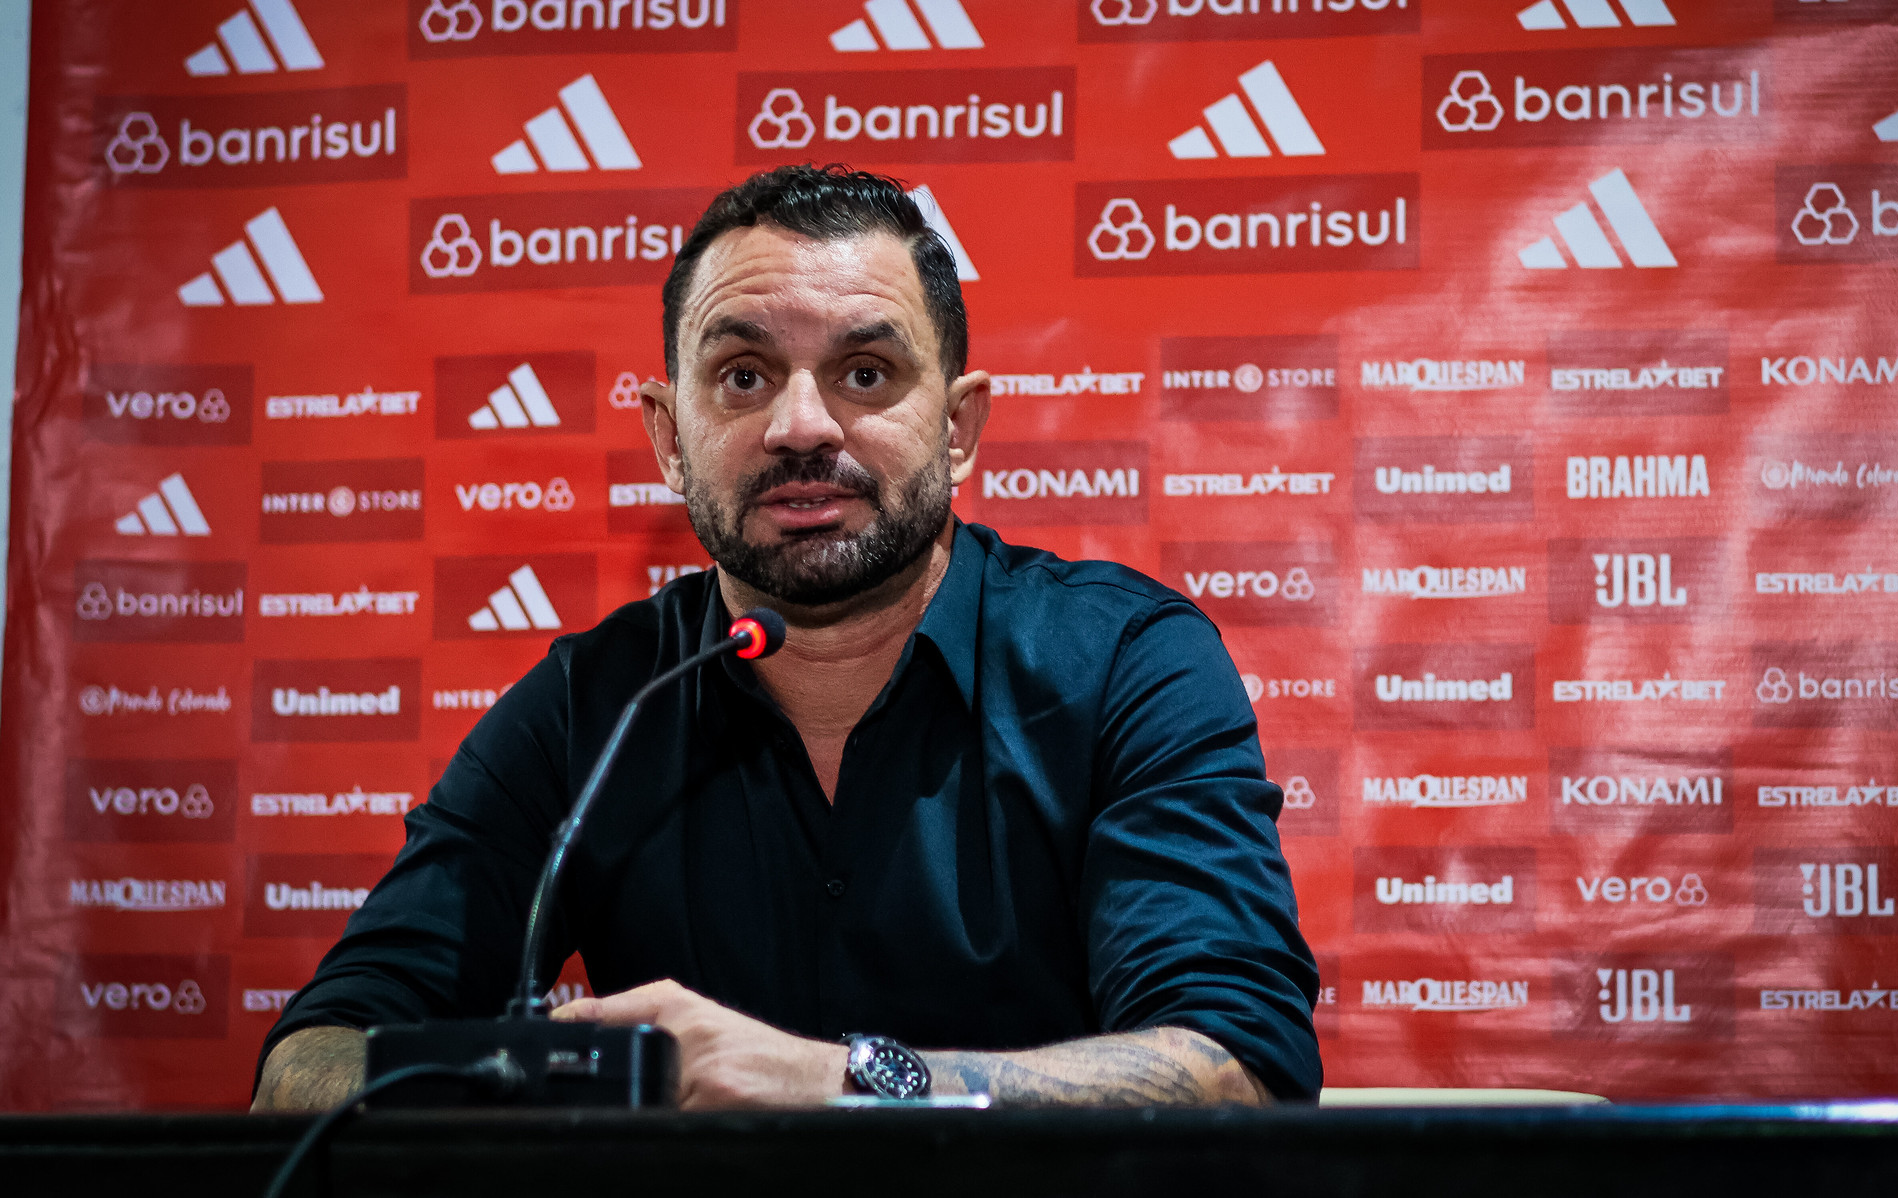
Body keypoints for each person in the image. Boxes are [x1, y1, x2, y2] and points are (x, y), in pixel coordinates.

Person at [253, 164, 1320, 1110]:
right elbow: (312, 1062)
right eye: (743, 376)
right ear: (669, 438)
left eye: (864, 373)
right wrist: (571, 1077)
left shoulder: (1125, 664)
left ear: (958, 427)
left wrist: (833, 1080)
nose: (800, 425)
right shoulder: (598, 702)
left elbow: (1240, 1069)